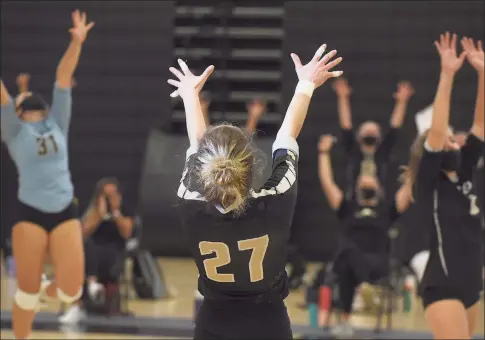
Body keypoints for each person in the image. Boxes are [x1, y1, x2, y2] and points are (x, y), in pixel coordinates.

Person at [168, 43, 343, 339]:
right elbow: (286, 136)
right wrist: (306, 84)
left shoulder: (188, 201)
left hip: (213, 323)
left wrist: (189, 96)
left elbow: (197, 148)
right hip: (268, 323)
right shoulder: (277, 200)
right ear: (250, 166)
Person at [0, 10, 94, 339]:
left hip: (64, 208)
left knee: (71, 291)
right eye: (21, 97)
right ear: (16, 108)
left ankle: (44, 289)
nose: (27, 96)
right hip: (30, 213)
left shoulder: (57, 122)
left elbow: (64, 75)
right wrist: (12, 98)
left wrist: (76, 42)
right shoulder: (13, 130)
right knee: (26, 293)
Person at [402, 33, 483, 339]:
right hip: (443, 284)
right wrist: (447, 74)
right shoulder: (430, 180)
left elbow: (481, 125)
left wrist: (483, 73)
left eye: (454, 138)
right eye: (447, 140)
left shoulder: (463, 174)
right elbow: (437, 130)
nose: (453, 141)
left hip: (472, 284)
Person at [318, 134, 413, 337]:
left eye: (371, 182)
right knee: (346, 257)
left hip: (378, 262)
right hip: (351, 262)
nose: (367, 184)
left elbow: (407, 192)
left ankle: (349, 313)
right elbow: (327, 182)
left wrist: (410, 176)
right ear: (356, 187)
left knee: (344, 255)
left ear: (379, 188)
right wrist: (323, 153)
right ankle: (363, 290)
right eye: (363, 182)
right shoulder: (347, 207)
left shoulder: (387, 209)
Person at [59, 177, 134, 324]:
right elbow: (82, 232)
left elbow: (127, 233)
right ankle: (81, 301)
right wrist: (98, 215)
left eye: (111, 195)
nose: (108, 199)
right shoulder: (93, 210)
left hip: (114, 253)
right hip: (91, 253)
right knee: (86, 246)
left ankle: (91, 284)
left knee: (95, 251)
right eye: (105, 195)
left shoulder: (125, 209)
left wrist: (116, 212)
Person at [332, 77, 414, 192]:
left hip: (381, 200)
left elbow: (395, 127)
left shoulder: (384, 153)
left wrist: (402, 102)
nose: (370, 132)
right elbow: (346, 126)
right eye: (366, 130)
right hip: (355, 199)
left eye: (373, 131)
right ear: (358, 136)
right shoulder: (353, 152)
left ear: (379, 137)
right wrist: (342, 97)